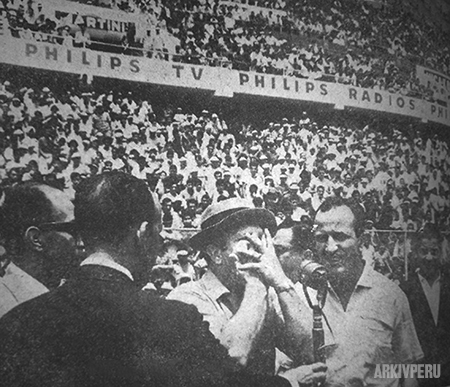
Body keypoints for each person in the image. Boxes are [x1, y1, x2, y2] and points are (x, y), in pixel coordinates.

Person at [0, 172, 288, 387]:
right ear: (142, 233)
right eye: (158, 231)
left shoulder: (16, 322)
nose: (160, 242)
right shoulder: (173, 319)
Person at [168, 198, 317, 386]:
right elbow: (229, 360)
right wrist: (256, 282)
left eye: (262, 239)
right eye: (247, 241)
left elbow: (312, 351)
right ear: (215, 254)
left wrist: (282, 283)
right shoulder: (186, 299)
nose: (260, 250)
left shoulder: (266, 296)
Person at [297, 196, 423, 387]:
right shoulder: (304, 296)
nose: (330, 248)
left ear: (361, 239)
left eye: (340, 236)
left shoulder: (391, 296)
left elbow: (409, 368)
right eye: (321, 238)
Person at [0, 182, 79, 317]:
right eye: (71, 229)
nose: (82, 239)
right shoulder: (6, 306)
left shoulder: (70, 290)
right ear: (36, 239)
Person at [401, 223, 450, 387]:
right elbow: (403, 340)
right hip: (419, 376)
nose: (429, 257)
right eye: (424, 251)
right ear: (415, 253)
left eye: (434, 252)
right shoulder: (404, 290)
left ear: (441, 253)